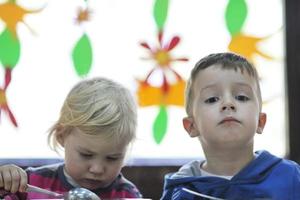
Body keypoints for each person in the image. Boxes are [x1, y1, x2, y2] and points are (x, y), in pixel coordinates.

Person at [161, 53, 300, 200]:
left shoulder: (290, 177)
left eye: (241, 97)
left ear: (260, 121)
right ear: (191, 126)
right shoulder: (180, 191)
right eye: (212, 99)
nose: (228, 103)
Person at [0, 77, 142, 199]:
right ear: (61, 136)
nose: (97, 169)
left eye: (112, 158)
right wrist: (4, 181)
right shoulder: (30, 184)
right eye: (86, 155)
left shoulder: (127, 195)